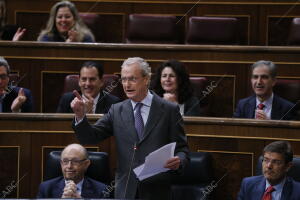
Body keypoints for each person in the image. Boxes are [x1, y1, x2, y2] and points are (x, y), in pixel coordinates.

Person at [71, 57, 189, 199]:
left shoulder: (169, 110)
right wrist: (80, 116)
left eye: (132, 79)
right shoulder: (117, 110)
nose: (127, 85)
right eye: (124, 80)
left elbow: (182, 150)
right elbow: (89, 137)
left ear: (146, 79)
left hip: (157, 191)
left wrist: (179, 161)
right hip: (125, 191)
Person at [37, 143, 107, 198]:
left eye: (75, 161)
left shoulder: (102, 190)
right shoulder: (46, 188)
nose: (69, 166)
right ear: (61, 163)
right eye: (65, 161)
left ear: (86, 164)